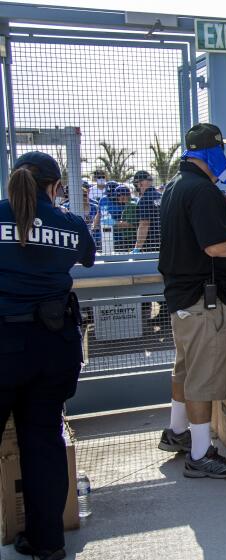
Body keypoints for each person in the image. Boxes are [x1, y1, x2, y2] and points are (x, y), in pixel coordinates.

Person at [157, 123, 226, 478]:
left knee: (185, 369)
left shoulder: (176, 185)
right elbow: (214, 247)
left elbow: (200, 233)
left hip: (180, 297)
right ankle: (201, 453)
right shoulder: (203, 190)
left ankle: (177, 433)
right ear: (211, 152)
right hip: (202, 300)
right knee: (201, 379)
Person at [0, 151, 96, 560]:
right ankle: (48, 543)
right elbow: (87, 256)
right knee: (43, 444)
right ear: (56, 187)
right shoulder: (70, 223)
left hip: (4, 344)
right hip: (53, 346)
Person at [131, 170, 162, 253]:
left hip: (152, 243)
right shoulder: (161, 196)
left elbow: (144, 224)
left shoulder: (144, 199)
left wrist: (137, 247)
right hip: (166, 240)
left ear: (139, 183)